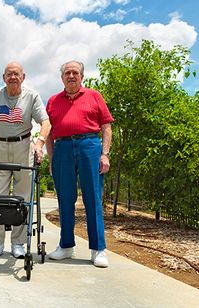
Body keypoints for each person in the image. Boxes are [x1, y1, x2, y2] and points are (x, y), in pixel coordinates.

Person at [0, 61, 51, 259]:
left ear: (23, 77)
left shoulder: (31, 96)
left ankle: (18, 243)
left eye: (17, 74)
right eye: (9, 74)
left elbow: (46, 122)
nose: (13, 77)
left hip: (23, 147)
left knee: (22, 198)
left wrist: (39, 143)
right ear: (4, 78)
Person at [45, 60, 113, 268]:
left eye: (75, 72)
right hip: (62, 148)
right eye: (67, 73)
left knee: (92, 198)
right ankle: (66, 246)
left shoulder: (94, 96)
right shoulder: (53, 100)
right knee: (65, 199)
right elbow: (47, 132)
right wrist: (51, 158)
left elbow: (106, 127)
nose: (71, 75)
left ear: (82, 76)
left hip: (89, 146)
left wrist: (105, 154)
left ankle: (98, 249)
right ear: (62, 77)